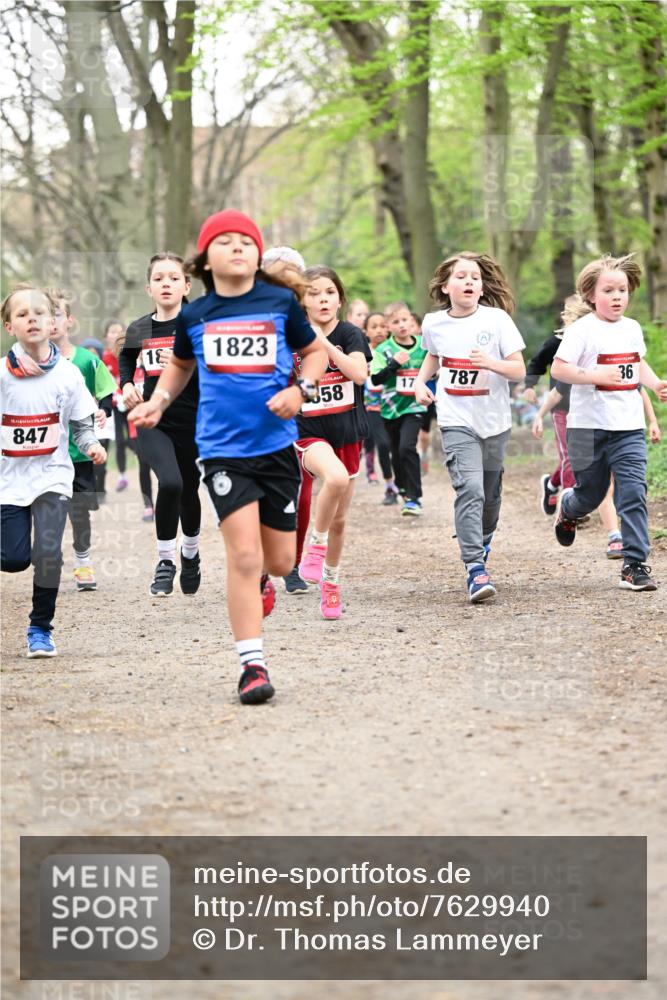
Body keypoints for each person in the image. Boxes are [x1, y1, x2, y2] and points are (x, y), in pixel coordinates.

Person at [129, 209, 327, 704]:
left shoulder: (280, 302)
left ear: (257, 255)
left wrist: (300, 390)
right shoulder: (197, 315)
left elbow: (317, 354)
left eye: (246, 241)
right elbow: (177, 367)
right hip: (222, 452)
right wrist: (156, 401)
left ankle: (265, 577)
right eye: (225, 241)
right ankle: (251, 666)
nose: (237, 247)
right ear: (205, 259)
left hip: (277, 447)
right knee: (242, 555)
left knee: (280, 561)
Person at [414, 251, 526, 603]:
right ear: (445, 286)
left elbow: (519, 370)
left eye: (475, 277)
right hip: (455, 418)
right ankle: (475, 569)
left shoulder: (497, 321)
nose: (469, 282)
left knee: (490, 499)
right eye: (461, 277)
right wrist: (420, 383)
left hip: (494, 421)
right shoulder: (433, 323)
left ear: (481, 287)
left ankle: (482, 540)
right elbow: (432, 356)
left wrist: (491, 363)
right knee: (471, 490)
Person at [551, 253, 667, 591]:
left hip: (627, 426)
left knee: (632, 492)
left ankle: (634, 564)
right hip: (587, 428)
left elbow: (637, 364)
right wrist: (594, 374)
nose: (617, 297)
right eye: (608, 290)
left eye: (623, 290)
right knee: (590, 493)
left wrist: (656, 383)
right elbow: (559, 369)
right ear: (590, 295)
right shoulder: (582, 331)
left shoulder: (631, 328)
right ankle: (568, 509)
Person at [1, 285, 106, 656]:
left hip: (52, 477)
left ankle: (40, 628)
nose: (32, 319)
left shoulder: (68, 375)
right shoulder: (1, 375)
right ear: (9, 326)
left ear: (52, 322)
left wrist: (91, 444)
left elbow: (81, 424)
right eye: (22, 314)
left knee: (48, 553)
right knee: (13, 559)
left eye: (39, 313)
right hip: (9, 482)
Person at [119, 253, 202, 597]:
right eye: (159, 278)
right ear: (149, 288)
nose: (166, 283)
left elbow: (219, 367)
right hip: (155, 418)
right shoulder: (140, 328)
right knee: (169, 483)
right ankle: (166, 560)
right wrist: (126, 386)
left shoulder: (199, 324)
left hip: (195, 421)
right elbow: (126, 356)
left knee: (188, 489)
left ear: (187, 285)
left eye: (173, 277)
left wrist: (188, 361)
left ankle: (191, 554)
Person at [293, 266, 372, 619]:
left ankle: (331, 581)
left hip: (348, 433)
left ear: (340, 299)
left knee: (340, 520)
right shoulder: (291, 337)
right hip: (308, 431)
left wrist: (323, 344)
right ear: (302, 300)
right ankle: (315, 545)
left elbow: (359, 374)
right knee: (335, 478)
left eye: (328, 292)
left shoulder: (350, 334)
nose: (322, 298)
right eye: (313, 293)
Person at [47, 289, 117, 591]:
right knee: (49, 510)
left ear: (69, 321)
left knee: (79, 512)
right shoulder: (29, 363)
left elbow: (106, 392)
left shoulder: (87, 360)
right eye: (44, 315)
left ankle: (83, 562)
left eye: (57, 315)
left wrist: (102, 411)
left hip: (79, 452)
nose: (50, 322)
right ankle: (48, 559)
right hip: (45, 453)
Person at [369, 300, 428, 515]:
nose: (402, 325)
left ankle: (414, 497)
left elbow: (434, 366)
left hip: (414, 406)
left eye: (405, 320)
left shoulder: (423, 345)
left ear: (412, 322)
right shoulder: (383, 350)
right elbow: (375, 379)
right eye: (396, 322)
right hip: (391, 408)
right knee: (395, 451)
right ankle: (403, 488)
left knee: (407, 447)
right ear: (388, 326)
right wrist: (393, 364)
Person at [362, 311, 397, 497]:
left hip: (395, 402)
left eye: (383, 326)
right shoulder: (362, 352)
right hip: (372, 404)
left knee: (396, 445)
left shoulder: (394, 349)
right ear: (365, 331)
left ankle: (402, 483)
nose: (379, 331)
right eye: (374, 327)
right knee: (381, 443)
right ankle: (389, 485)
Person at [102, 321, 132, 491]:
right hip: (113, 405)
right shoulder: (103, 358)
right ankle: (122, 476)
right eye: (112, 332)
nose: (115, 335)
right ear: (106, 336)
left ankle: (144, 457)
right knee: (119, 441)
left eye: (119, 332)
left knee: (135, 439)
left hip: (131, 402)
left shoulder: (130, 355)